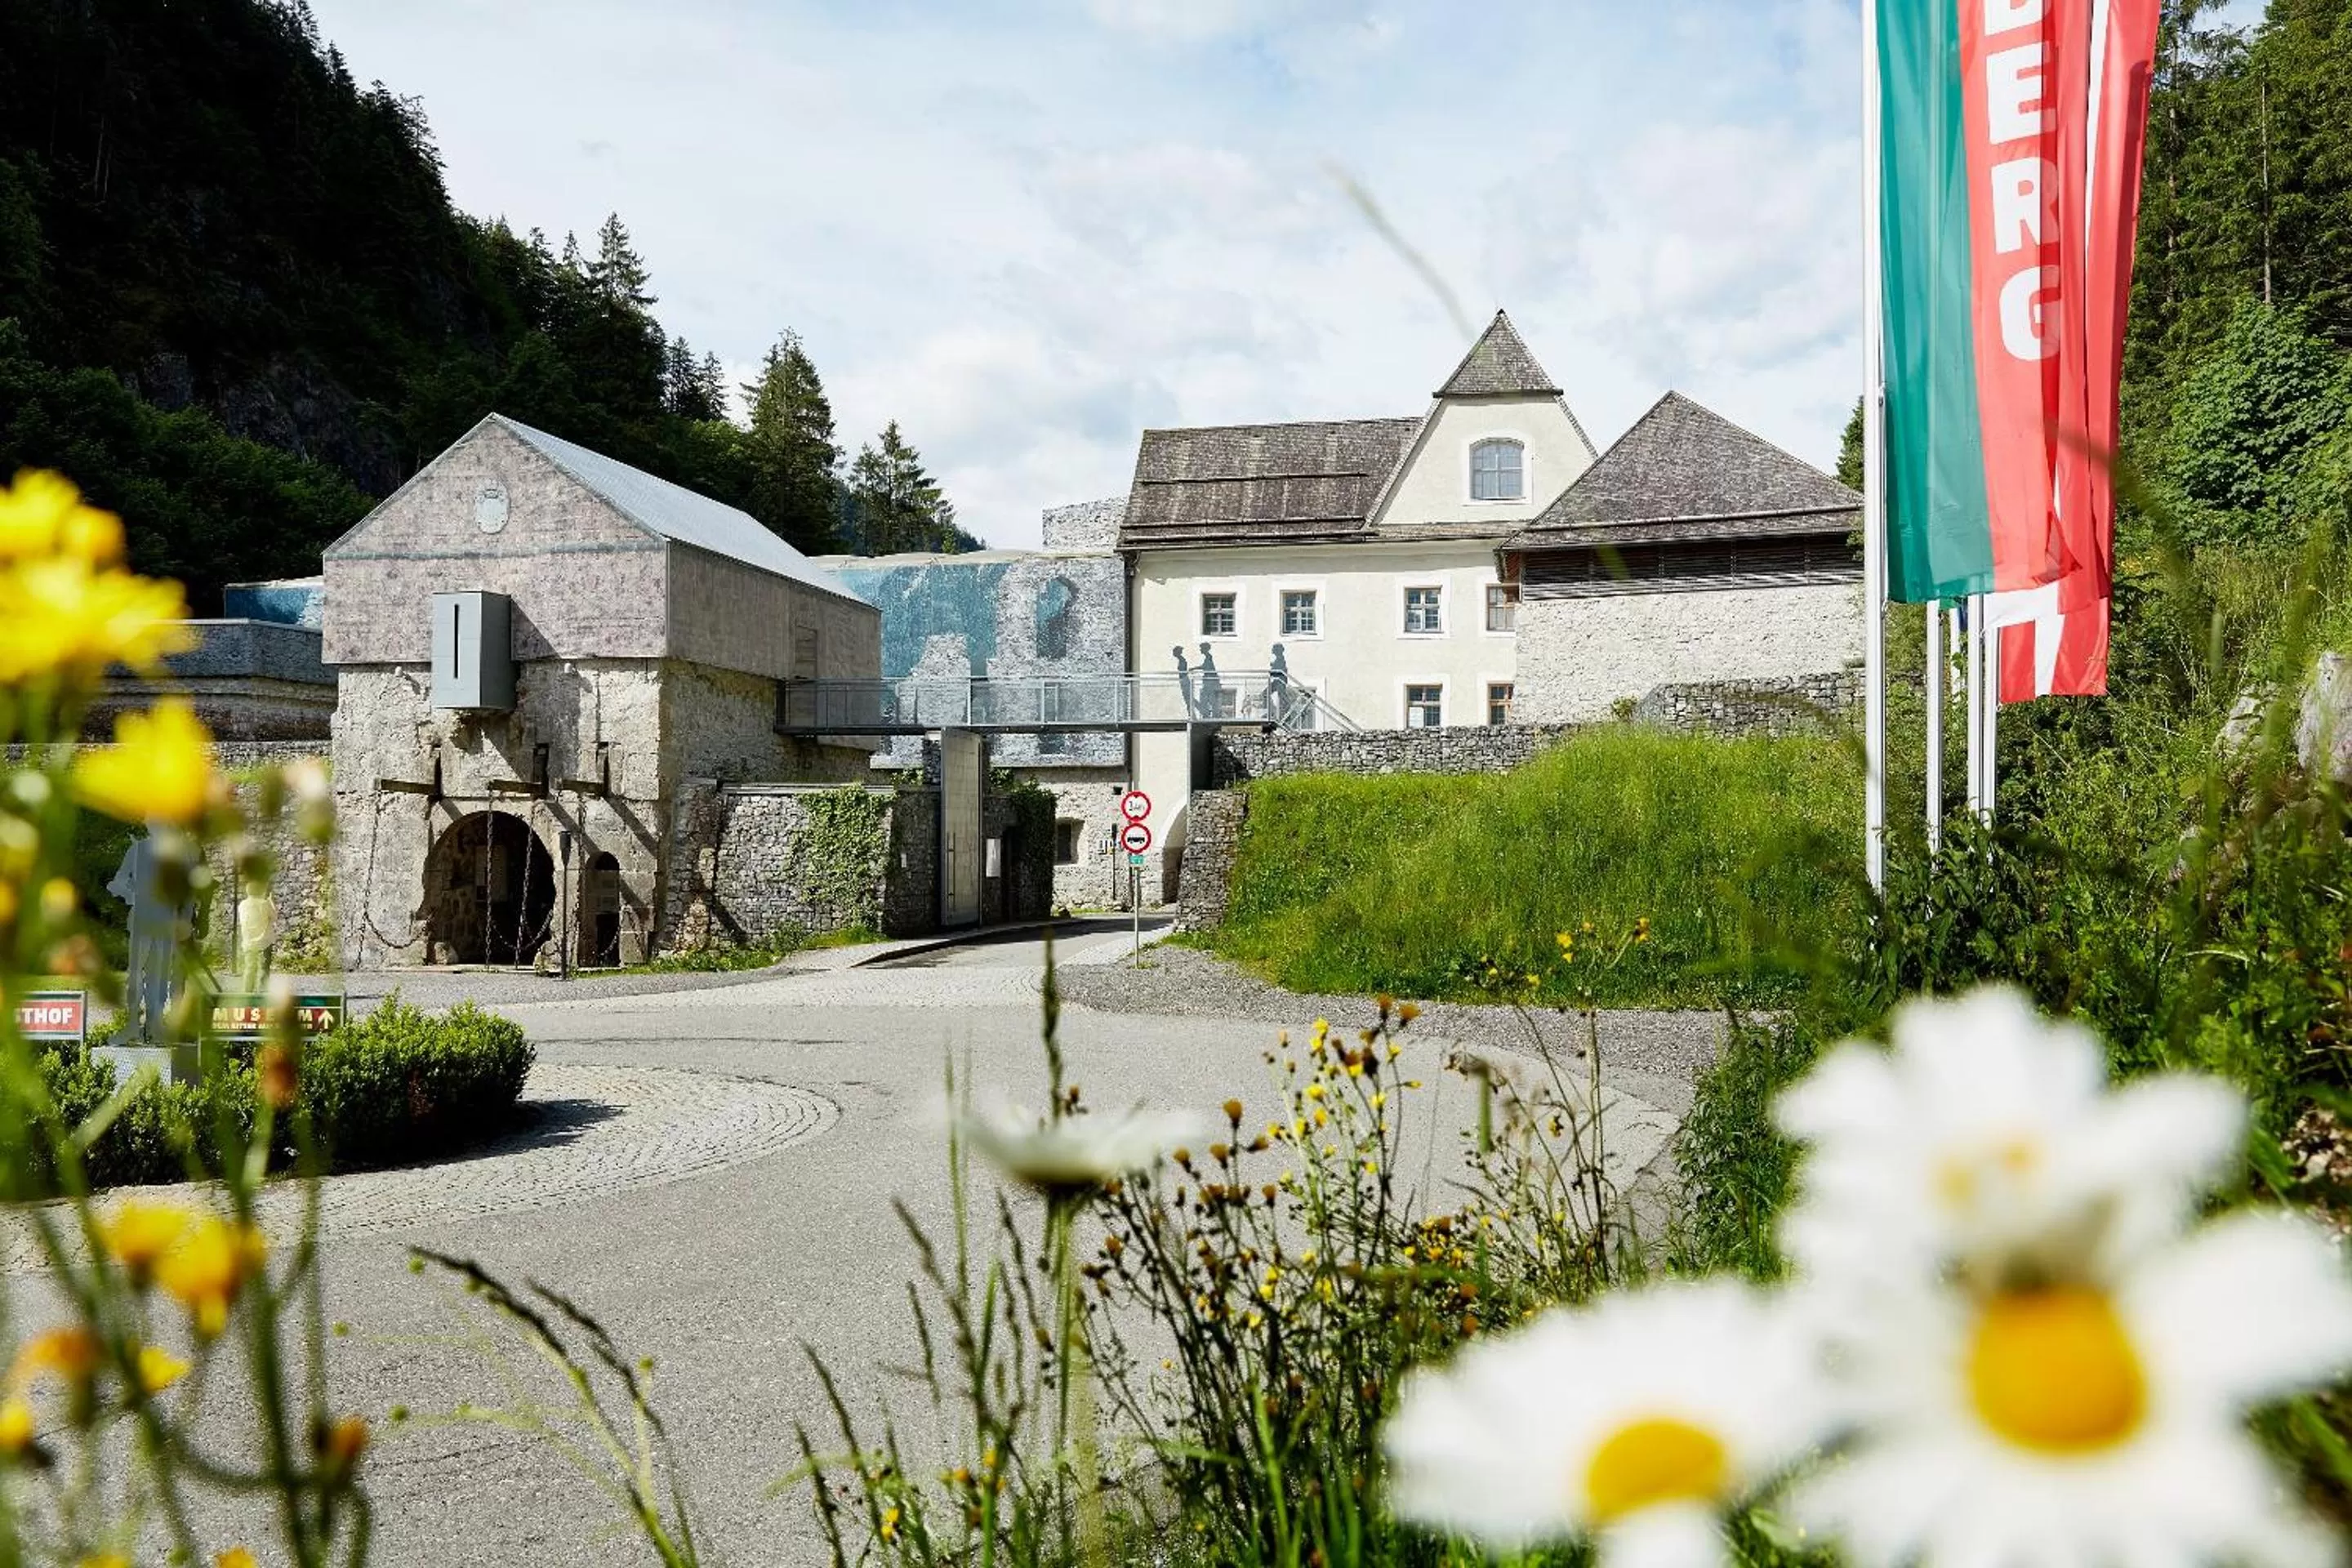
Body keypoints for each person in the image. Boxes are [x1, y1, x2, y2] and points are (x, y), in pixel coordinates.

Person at [106, 833, 181, 1044]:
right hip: (142, 919)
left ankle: (156, 1024)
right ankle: (132, 1024)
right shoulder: (136, 851)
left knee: (159, 976)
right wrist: (131, 894)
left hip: (164, 920)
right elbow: (120, 880)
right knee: (136, 972)